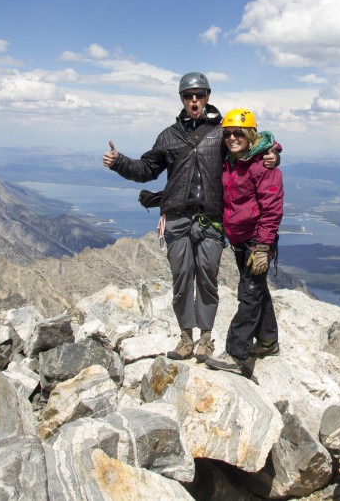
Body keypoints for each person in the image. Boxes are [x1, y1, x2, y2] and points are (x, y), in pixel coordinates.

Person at [102, 73, 277, 363]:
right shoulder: (169, 136)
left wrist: (274, 154)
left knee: (207, 280)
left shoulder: (222, 132)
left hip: (210, 219)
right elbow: (147, 168)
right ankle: (186, 337)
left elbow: (251, 145)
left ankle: (205, 339)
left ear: (207, 96)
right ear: (181, 99)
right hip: (177, 219)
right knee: (181, 278)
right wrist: (119, 162)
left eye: (199, 94)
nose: (194, 100)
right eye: (188, 96)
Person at [205, 108, 283, 378]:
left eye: (239, 133)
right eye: (228, 134)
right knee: (257, 290)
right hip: (240, 239)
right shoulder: (230, 160)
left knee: (248, 294)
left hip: (256, 241)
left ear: (251, 135)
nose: (232, 138)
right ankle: (268, 341)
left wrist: (263, 247)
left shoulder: (263, 165)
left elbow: (272, 210)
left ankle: (237, 353)